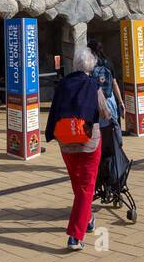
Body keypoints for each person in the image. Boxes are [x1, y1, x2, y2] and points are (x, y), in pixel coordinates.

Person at [44, 46, 110, 250]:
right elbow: (105, 112)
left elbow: (54, 109)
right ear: (91, 65)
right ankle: (75, 235)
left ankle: (87, 217)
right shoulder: (92, 84)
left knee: (77, 183)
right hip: (88, 142)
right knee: (86, 187)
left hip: (65, 141)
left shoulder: (63, 84)